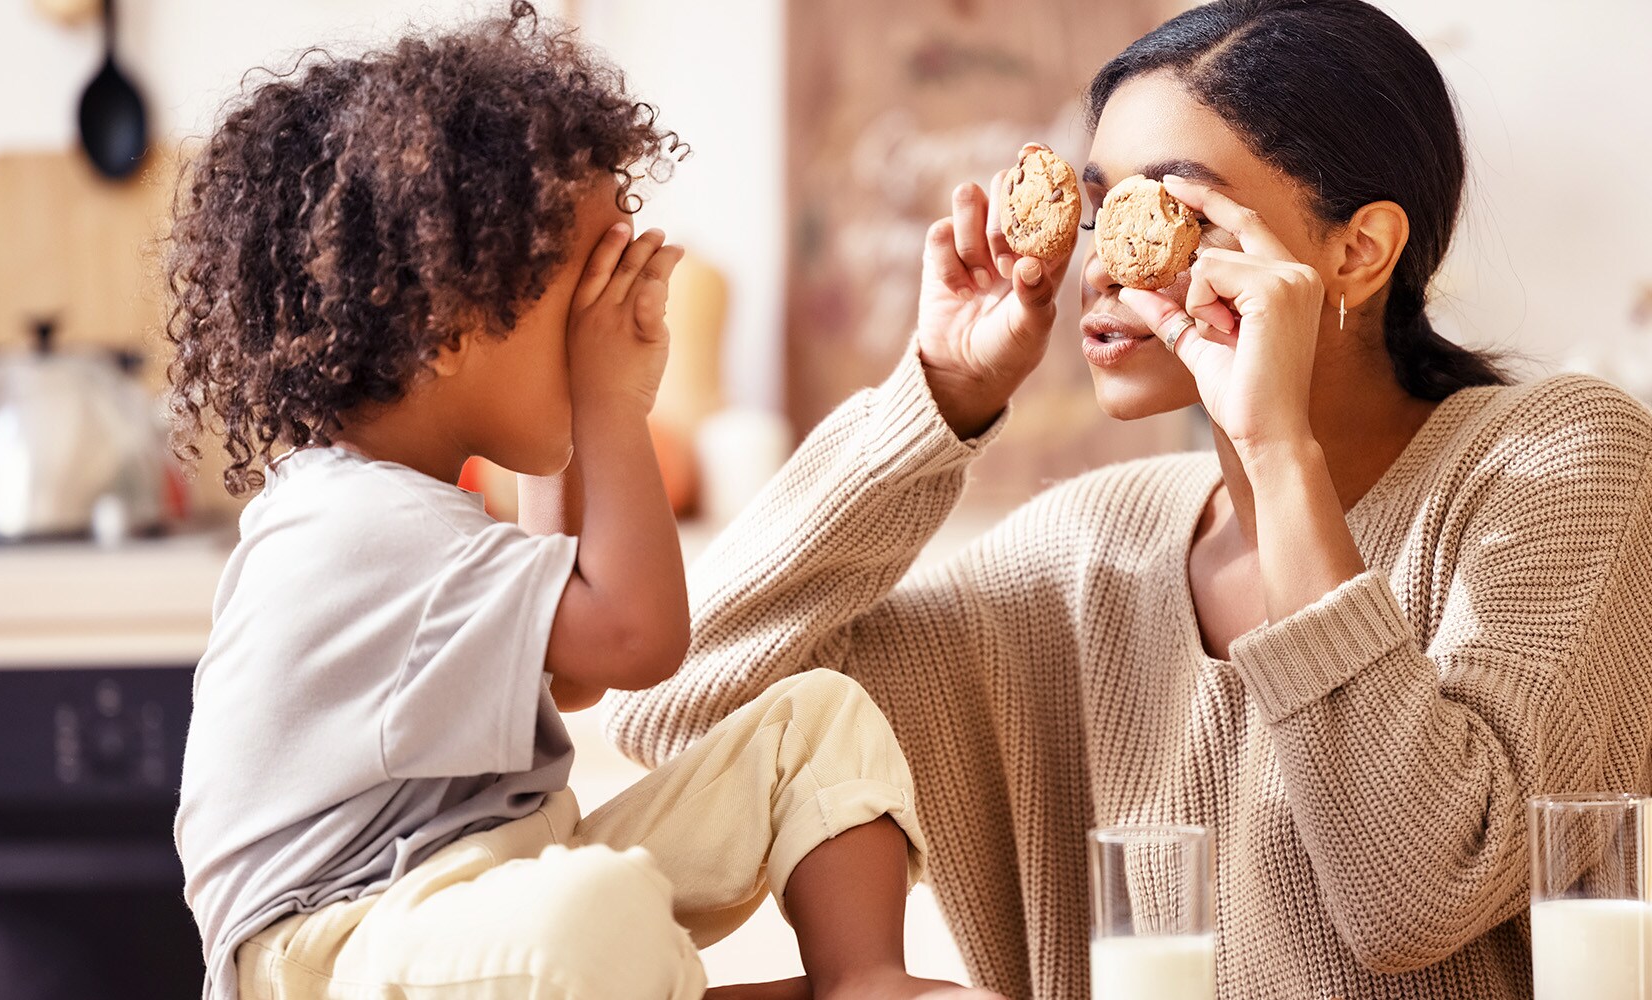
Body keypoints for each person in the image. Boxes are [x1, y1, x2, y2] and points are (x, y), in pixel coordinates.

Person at [607, 0, 1652, 997]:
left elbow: (1413, 895)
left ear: (1357, 251)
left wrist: (1274, 447)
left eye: (1173, 210)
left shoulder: (1555, 461)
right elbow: (678, 711)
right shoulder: (1086, 550)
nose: (1102, 263)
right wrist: (937, 397)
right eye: (1101, 208)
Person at [165, 5, 992, 1000]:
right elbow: (636, 641)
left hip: (480, 887)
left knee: (810, 723)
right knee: (597, 909)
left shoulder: (406, 508)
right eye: (584, 297)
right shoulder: (357, 531)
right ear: (449, 326)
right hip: (334, 952)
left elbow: (573, 680)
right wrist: (610, 403)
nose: (608, 324)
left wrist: (580, 420)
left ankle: (861, 979)